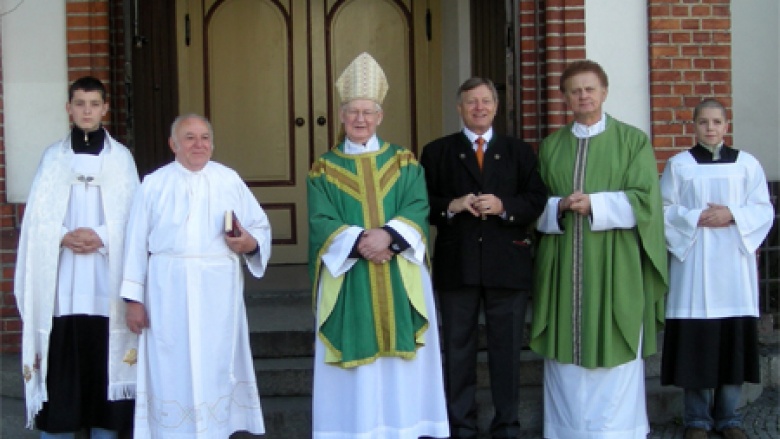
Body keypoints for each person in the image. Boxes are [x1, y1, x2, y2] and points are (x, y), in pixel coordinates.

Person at [307, 52, 449, 439]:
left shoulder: (403, 162)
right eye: (352, 112)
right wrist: (361, 243)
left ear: (380, 116)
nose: (360, 120)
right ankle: (355, 429)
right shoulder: (323, 167)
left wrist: (389, 237)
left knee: (402, 364)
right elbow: (321, 220)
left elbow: (418, 205)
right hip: (350, 277)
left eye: (368, 112)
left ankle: (404, 427)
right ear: (341, 115)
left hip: (400, 272)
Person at [530, 60, 669, 439]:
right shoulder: (551, 147)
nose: (583, 96)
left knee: (616, 351)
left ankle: (616, 432)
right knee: (566, 359)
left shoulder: (632, 141)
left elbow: (646, 202)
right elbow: (533, 204)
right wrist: (558, 207)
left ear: (604, 92)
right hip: (563, 267)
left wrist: (597, 205)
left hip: (615, 264)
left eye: (590, 88)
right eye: (574, 90)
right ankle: (567, 430)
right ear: (564, 98)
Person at [120, 114, 271, 438]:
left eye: (205, 138)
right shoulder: (154, 184)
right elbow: (133, 244)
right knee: (171, 367)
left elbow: (259, 227)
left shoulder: (229, 180)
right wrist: (133, 300)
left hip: (218, 295)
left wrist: (249, 243)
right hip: (167, 293)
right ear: (173, 144)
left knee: (216, 365)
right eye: (189, 137)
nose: (198, 144)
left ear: (213, 144)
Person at [419, 77, 547, 439]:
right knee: (457, 350)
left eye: (486, 101)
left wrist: (504, 206)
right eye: (471, 102)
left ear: (496, 107)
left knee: (506, 352)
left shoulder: (520, 151)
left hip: (507, 264)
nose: (479, 107)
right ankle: (460, 425)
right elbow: (420, 204)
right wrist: (452, 205)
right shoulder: (437, 152)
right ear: (459, 108)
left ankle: (506, 425)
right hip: (456, 264)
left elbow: (537, 199)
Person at [14, 76, 139, 438]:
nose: (87, 110)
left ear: (105, 109)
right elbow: (37, 219)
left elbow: (134, 218)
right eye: (80, 103)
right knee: (62, 373)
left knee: (105, 370)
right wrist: (61, 235)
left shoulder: (122, 161)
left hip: (107, 286)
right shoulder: (52, 159)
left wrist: (101, 236)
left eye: (93, 104)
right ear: (69, 108)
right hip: (62, 288)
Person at [659, 98, 774, 439]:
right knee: (696, 345)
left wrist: (733, 215)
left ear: (726, 126)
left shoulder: (747, 165)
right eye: (703, 122)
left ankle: (729, 418)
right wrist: (697, 216)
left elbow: (763, 209)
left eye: (717, 122)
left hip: (733, 270)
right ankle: (696, 419)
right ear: (693, 126)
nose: (710, 128)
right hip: (693, 267)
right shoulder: (679, 165)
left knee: (731, 344)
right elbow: (665, 209)